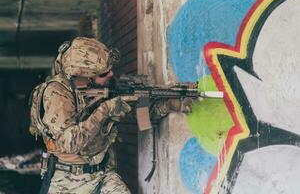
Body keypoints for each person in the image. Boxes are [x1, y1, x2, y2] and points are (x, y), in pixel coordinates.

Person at [29, 37, 193, 194]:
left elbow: (141, 118)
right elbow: (70, 143)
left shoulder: (105, 89)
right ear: (82, 75)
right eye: (102, 74)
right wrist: (105, 110)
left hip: (102, 173)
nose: (110, 75)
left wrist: (171, 105)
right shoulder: (56, 93)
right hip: (68, 181)